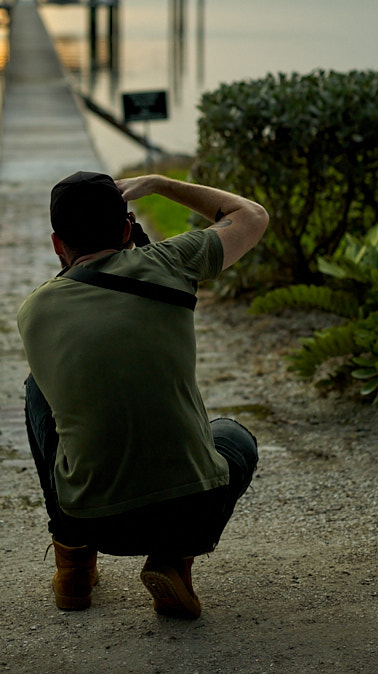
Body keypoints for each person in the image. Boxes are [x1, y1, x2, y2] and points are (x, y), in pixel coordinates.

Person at [18, 170, 269, 619]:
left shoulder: (33, 310)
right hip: (189, 514)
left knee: (39, 390)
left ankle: (73, 564)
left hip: (97, 522)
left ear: (57, 244)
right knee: (234, 437)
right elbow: (250, 215)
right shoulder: (171, 263)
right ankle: (172, 561)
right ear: (129, 229)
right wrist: (159, 183)